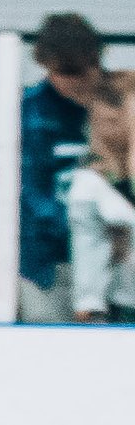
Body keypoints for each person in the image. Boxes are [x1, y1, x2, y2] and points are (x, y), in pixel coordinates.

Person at [20, 13, 108, 322]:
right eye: (65, 72)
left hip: (114, 258)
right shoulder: (31, 111)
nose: (76, 81)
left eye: (83, 70)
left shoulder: (122, 103)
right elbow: (29, 188)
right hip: (48, 262)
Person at [66, 81, 135, 323]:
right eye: (99, 121)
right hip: (120, 310)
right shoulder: (90, 183)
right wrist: (89, 307)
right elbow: (88, 245)